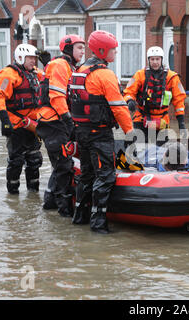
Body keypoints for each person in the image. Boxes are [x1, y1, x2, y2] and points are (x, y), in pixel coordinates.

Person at [69, 30, 133, 233]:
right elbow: (119, 108)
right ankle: (98, 224)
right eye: (113, 50)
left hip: (82, 132)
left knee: (86, 175)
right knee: (105, 176)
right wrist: (130, 134)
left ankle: (80, 217)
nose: (115, 53)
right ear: (103, 50)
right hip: (99, 135)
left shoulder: (79, 70)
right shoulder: (105, 74)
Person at [37, 34, 85, 217]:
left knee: (60, 164)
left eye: (83, 48)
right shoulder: (60, 65)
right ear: (68, 49)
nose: (83, 51)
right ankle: (64, 211)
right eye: (79, 48)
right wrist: (68, 121)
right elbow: (57, 97)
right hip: (53, 122)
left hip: (58, 122)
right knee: (64, 165)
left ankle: (49, 202)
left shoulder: (70, 67)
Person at [0, 44, 43, 194]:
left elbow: (51, 79)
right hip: (16, 126)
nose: (34, 61)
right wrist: (4, 120)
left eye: (35, 58)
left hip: (32, 127)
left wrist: (48, 63)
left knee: (34, 161)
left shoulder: (36, 74)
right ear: (21, 58)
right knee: (16, 161)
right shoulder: (8, 75)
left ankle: (33, 194)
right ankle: (13, 194)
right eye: (30, 58)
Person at [123, 46, 187, 145]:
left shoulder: (172, 77)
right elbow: (129, 92)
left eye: (157, 59)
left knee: (161, 151)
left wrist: (181, 123)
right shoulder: (140, 75)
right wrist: (130, 100)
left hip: (162, 119)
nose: (155, 62)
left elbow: (179, 100)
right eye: (152, 59)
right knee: (137, 147)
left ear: (162, 60)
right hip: (142, 118)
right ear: (148, 60)